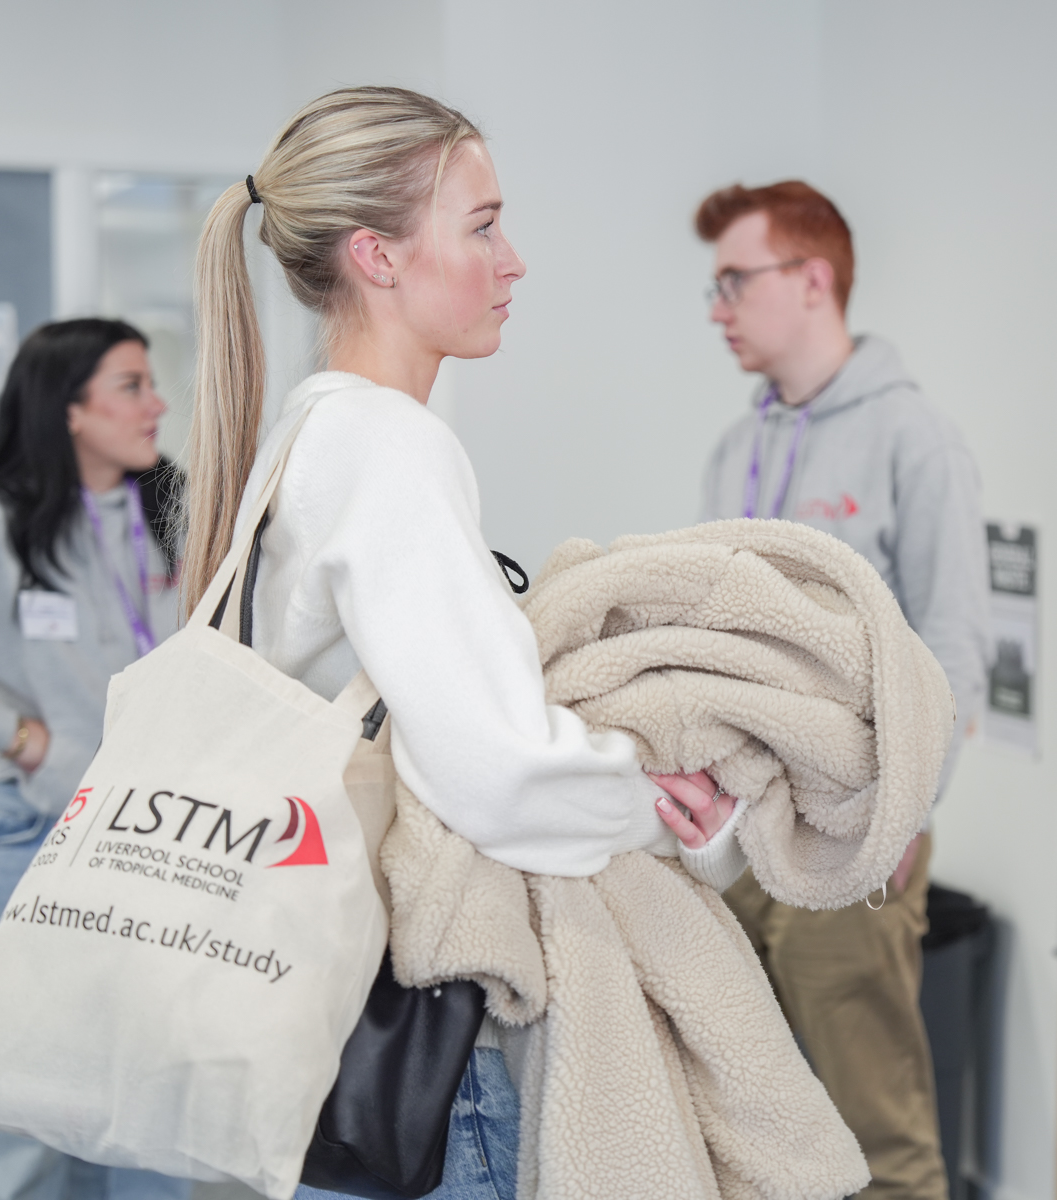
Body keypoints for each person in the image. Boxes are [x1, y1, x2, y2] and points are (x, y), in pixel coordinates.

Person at [185, 87, 744, 1200]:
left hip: (313, 1028)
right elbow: (498, 773)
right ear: (377, 257)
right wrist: (675, 806)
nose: (513, 260)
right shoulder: (389, 446)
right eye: (482, 225)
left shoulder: (309, 427)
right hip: (418, 1061)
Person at [694, 180, 989, 1200]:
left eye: (736, 279)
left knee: (877, 1140)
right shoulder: (736, 450)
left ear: (813, 279)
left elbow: (954, 652)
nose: (719, 307)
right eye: (714, 286)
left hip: (854, 832)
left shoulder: (916, 439)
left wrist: (903, 813)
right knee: (746, 1127)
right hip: (738, 832)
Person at [0, 318, 189, 1200]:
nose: (156, 404)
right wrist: (18, 737)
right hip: (27, 829)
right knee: (8, 1102)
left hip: (149, 843)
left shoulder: (171, 507)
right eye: (130, 385)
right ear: (68, 409)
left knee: (140, 1101)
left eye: (152, 382)